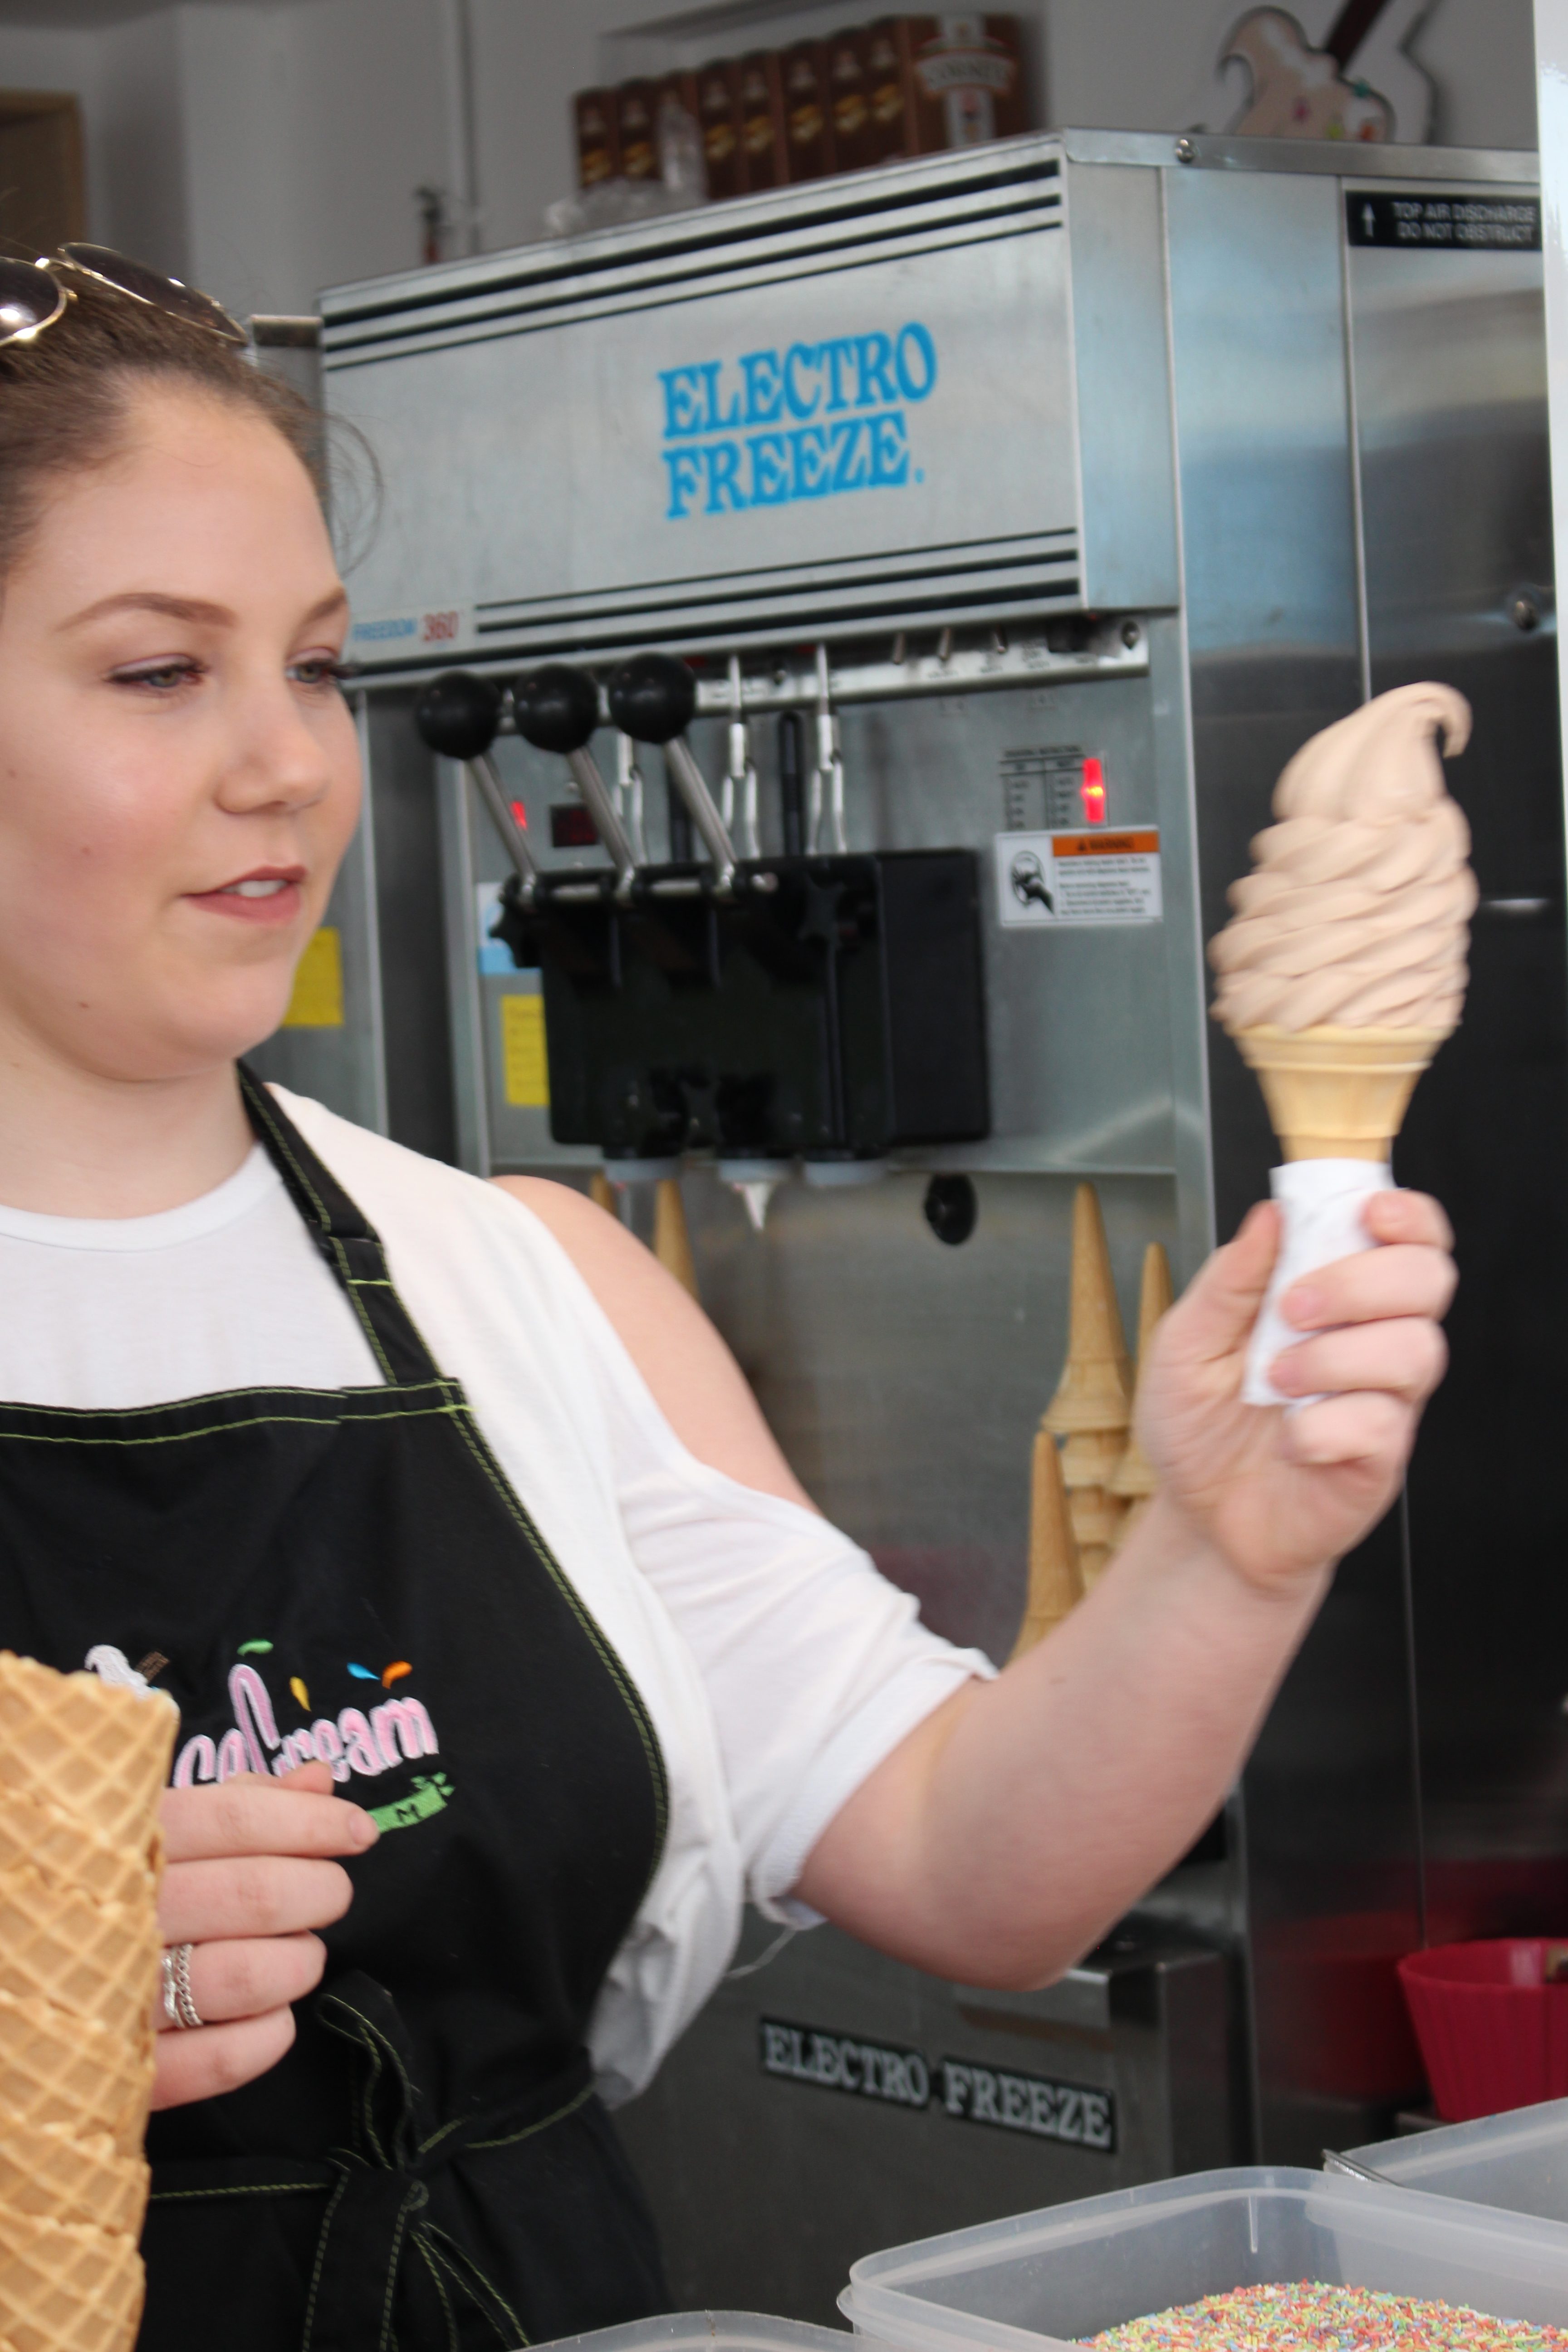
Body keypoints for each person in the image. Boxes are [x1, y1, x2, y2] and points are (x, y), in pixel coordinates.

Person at [0, 246, 1453, 2352]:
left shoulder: (518, 1285)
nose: (289, 768)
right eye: (158, 673)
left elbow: (971, 1863)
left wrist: (1227, 1548)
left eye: (314, 666)